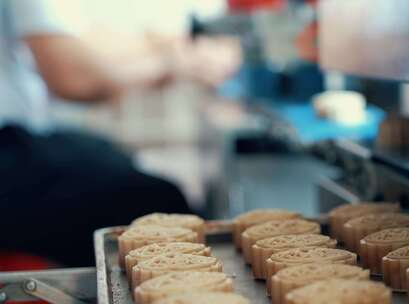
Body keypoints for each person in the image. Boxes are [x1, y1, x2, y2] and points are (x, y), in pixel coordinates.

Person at [0, 0, 240, 266]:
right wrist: (173, 62)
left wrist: (166, 48)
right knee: (153, 200)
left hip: (22, 135)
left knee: (107, 155)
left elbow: (84, 43)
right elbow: (74, 79)